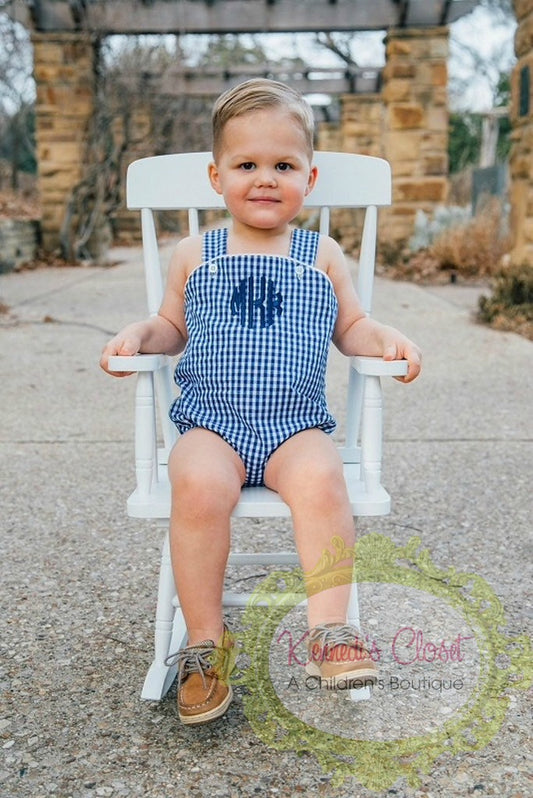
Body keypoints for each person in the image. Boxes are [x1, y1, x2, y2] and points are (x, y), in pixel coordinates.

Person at [100, 78, 422, 725]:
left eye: (283, 165)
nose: (265, 178)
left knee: (323, 481)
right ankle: (204, 642)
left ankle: (329, 631)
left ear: (310, 174)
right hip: (211, 425)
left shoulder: (321, 254)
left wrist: (381, 336)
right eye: (247, 165)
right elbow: (172, 326)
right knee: (194, 488)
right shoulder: (195, 252)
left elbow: (351, 328)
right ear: (217, 176)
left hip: (293, 427)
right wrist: (142, 333)